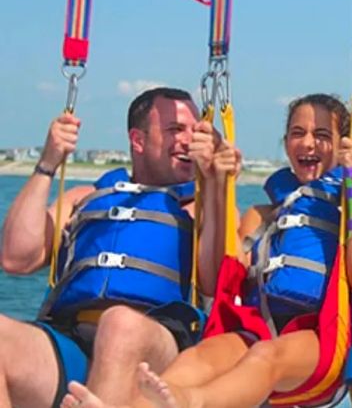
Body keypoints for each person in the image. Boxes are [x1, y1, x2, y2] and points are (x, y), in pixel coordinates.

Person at [61, 93, 352, 408]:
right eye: (298, 133)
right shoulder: (262, 215)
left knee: (265, 357)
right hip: (258, 329)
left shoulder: (348, 208)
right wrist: (220, 182)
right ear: (285, 142)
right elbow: (219, 281)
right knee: (199, 358)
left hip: (321, 340)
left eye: (322, 135)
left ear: (343, 145)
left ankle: (191, 402)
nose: (308, 143)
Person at [0, 87, 237, 407]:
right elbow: (16, 257)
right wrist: (48, 162)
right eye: (175, 130)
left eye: (194, 132)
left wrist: (213, 183)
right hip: (72, 342)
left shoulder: (201, 207)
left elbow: (214, 282)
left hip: (155, 348)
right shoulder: (85, 198)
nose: (188, 140)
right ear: (138, 140)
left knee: (119, 324)